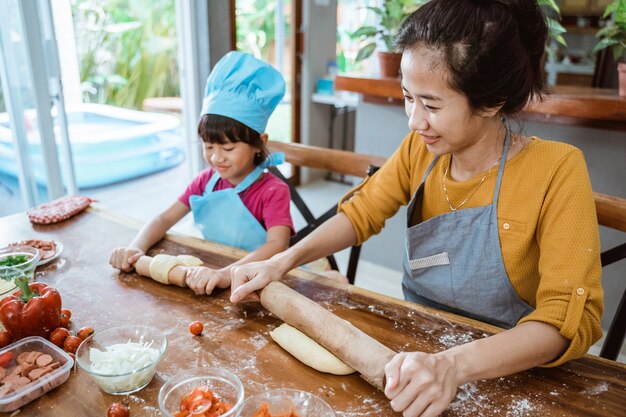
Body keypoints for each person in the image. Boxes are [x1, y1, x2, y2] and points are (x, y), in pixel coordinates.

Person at [229, 1, 604, 416]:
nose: (413, 120)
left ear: (493, 101)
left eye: (431, 104)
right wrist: (283, 261)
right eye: (408, 98)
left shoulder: (557, 169)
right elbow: (361, 213)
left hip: (510, 371)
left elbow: (567, 318)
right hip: (413, 348)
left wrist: (451, 365)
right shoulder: (420, 150)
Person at [110, 51, 293, 296]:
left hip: (261, 279)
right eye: (208, 147)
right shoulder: (205, 182)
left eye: (228, 148)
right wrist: (135, 247)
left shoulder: (272, 190)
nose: (216, 157)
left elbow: (277, 244)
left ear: (259, 142)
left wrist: (225, 274)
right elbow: (164, 219)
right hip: (214, 268)